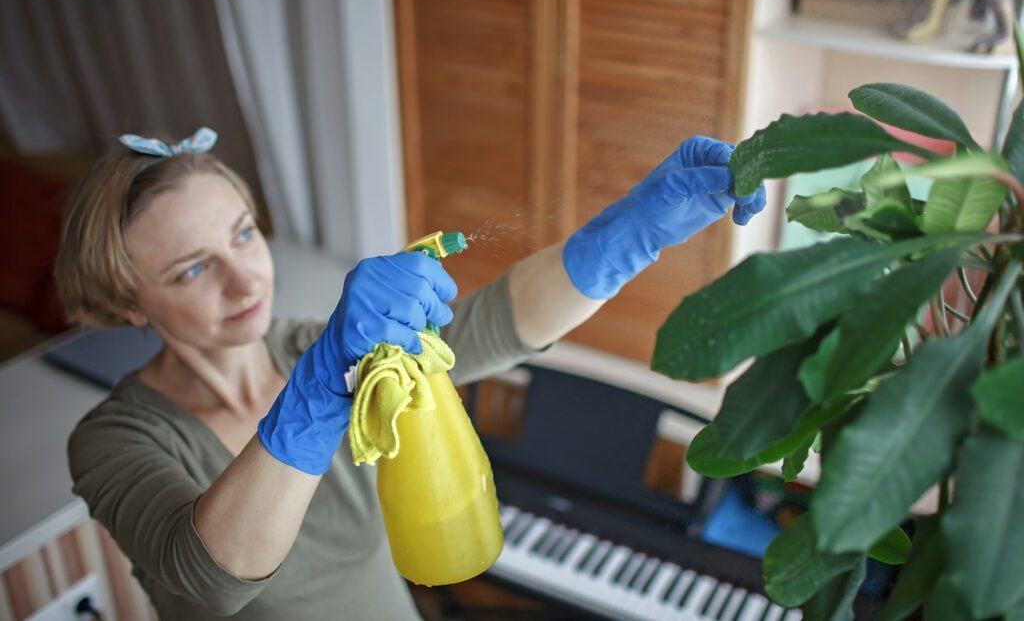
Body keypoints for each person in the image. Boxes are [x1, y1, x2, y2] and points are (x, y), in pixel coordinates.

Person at [56, 127, 766, 620]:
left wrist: (631, 233)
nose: (245, 279)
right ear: (129, 303)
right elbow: (214, 578)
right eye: (193, 267)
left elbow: (492, 326)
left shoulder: (308, 345)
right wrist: (321, 381)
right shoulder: (114, 440)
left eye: (244, 232)